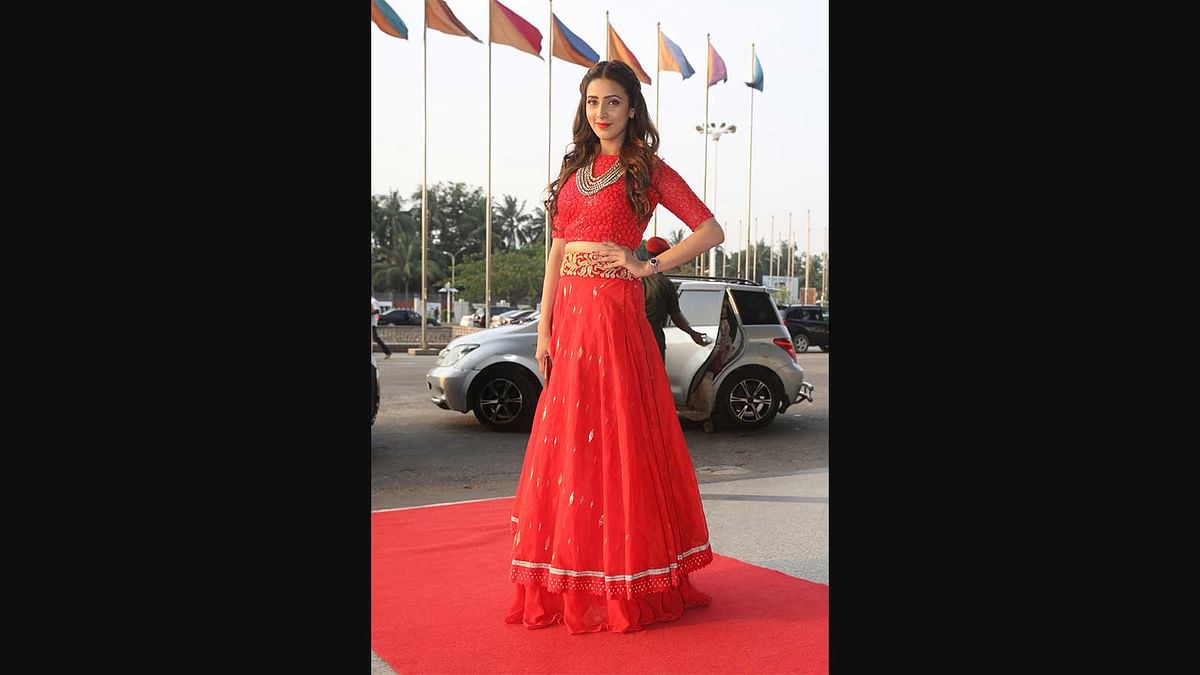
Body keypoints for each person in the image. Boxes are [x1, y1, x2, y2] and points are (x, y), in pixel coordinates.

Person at [505, 61, 725, 634]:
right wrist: (543, 329)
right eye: (593, 102)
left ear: (633, 110)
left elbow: (709, 230)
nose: (601, 113)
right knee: (570, 447)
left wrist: (644, 263)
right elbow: (555, 256)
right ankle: (577, 572)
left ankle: (632, 576)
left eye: (613, 102)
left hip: (613, 315)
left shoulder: (645, 169)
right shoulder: (573, 168)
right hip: (569, 321)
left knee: (621, 441)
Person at [641, 236, 709, 363]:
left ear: (647, 252)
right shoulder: (665, 285)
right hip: (654, 340)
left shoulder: (633, 279)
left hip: (630, 339)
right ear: (665, 256)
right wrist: (692, 333)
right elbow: (676, 316)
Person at [678, 301, 741, 433]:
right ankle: (703, 416)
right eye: (721, 307)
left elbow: (724, 343)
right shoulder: (714, 323)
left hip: (712, 360)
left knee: (705, 391)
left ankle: (703, 416)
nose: (724, 310)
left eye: (725, 307)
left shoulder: (723, 324)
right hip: (707, 359)